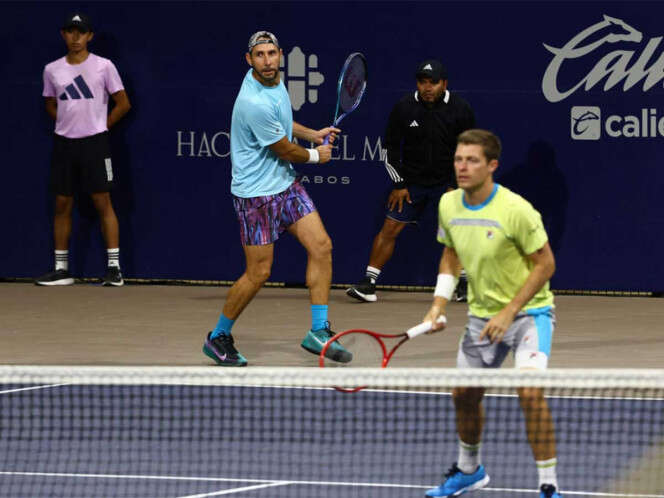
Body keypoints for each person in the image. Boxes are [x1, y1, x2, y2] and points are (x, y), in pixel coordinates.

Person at [422, 129, 562, 498]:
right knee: (463, 394)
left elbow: (545, 264)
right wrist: (438, 305)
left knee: (530, 393)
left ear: (492, 166)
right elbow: (450, 254)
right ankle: (470, 470)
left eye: (472, 160)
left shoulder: (516, 210)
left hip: (530, 315)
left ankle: (549, 485)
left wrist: (509, 312)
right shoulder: (449, 204)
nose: (462, 167)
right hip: (481, 319)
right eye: (458, 159)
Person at [202, 31, 351, 367]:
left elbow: (282, 124)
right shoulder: (251, 101)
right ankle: (218, 336)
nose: (267, 61)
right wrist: (316, 155)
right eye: (260, 55)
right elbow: (282, 148)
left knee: (322, 246)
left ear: (280, 54)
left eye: (271, 53)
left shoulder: (275, 82)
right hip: (256, 196)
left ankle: (317, 330)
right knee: (259, 273)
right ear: (249, 59)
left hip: (285, 186)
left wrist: (313, 133)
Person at [346, 59, 474, 303]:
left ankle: (465, 283)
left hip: (448, 183)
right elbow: (390, 149)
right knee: (390, 228)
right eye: (422, 82)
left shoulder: (460, 109)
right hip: (411, 184)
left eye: (433, 83)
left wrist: (456, 185)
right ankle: (369, 282)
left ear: (444, 84)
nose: (427, 87)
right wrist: (400, 184)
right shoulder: (404, 107)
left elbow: (470, 149)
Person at [35, 13, 131, 287]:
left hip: (95, 144)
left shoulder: (104, 66)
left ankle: (114, 269)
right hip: (64, 144)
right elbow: (50, 104)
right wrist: (67, 124)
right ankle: (62, 269)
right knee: (62, 203)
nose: (75, 38)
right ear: (63, 35)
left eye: (81, 32)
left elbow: (123, 104)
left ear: (89, 36)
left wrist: (100, 126)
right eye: (70, 32)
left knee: (103, 202)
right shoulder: (52, 70)